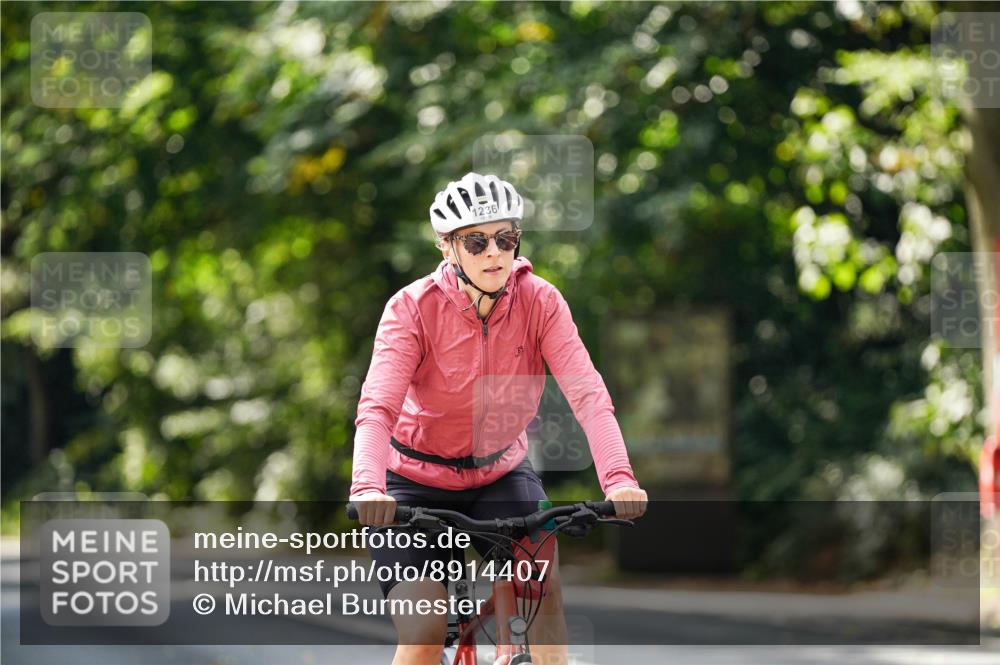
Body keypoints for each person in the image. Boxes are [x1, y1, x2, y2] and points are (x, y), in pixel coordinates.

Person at [349, 172, 648, 665]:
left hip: (499, 473)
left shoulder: (540, 302)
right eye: (476, 241)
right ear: (448, 247)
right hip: (408, 481)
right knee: (424, 629)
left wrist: (619, 480)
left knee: (541, 589)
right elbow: (377, 408)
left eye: (506, 238)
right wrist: (367, 488)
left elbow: (588, 395)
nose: (494, 253)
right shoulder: (411, 309)